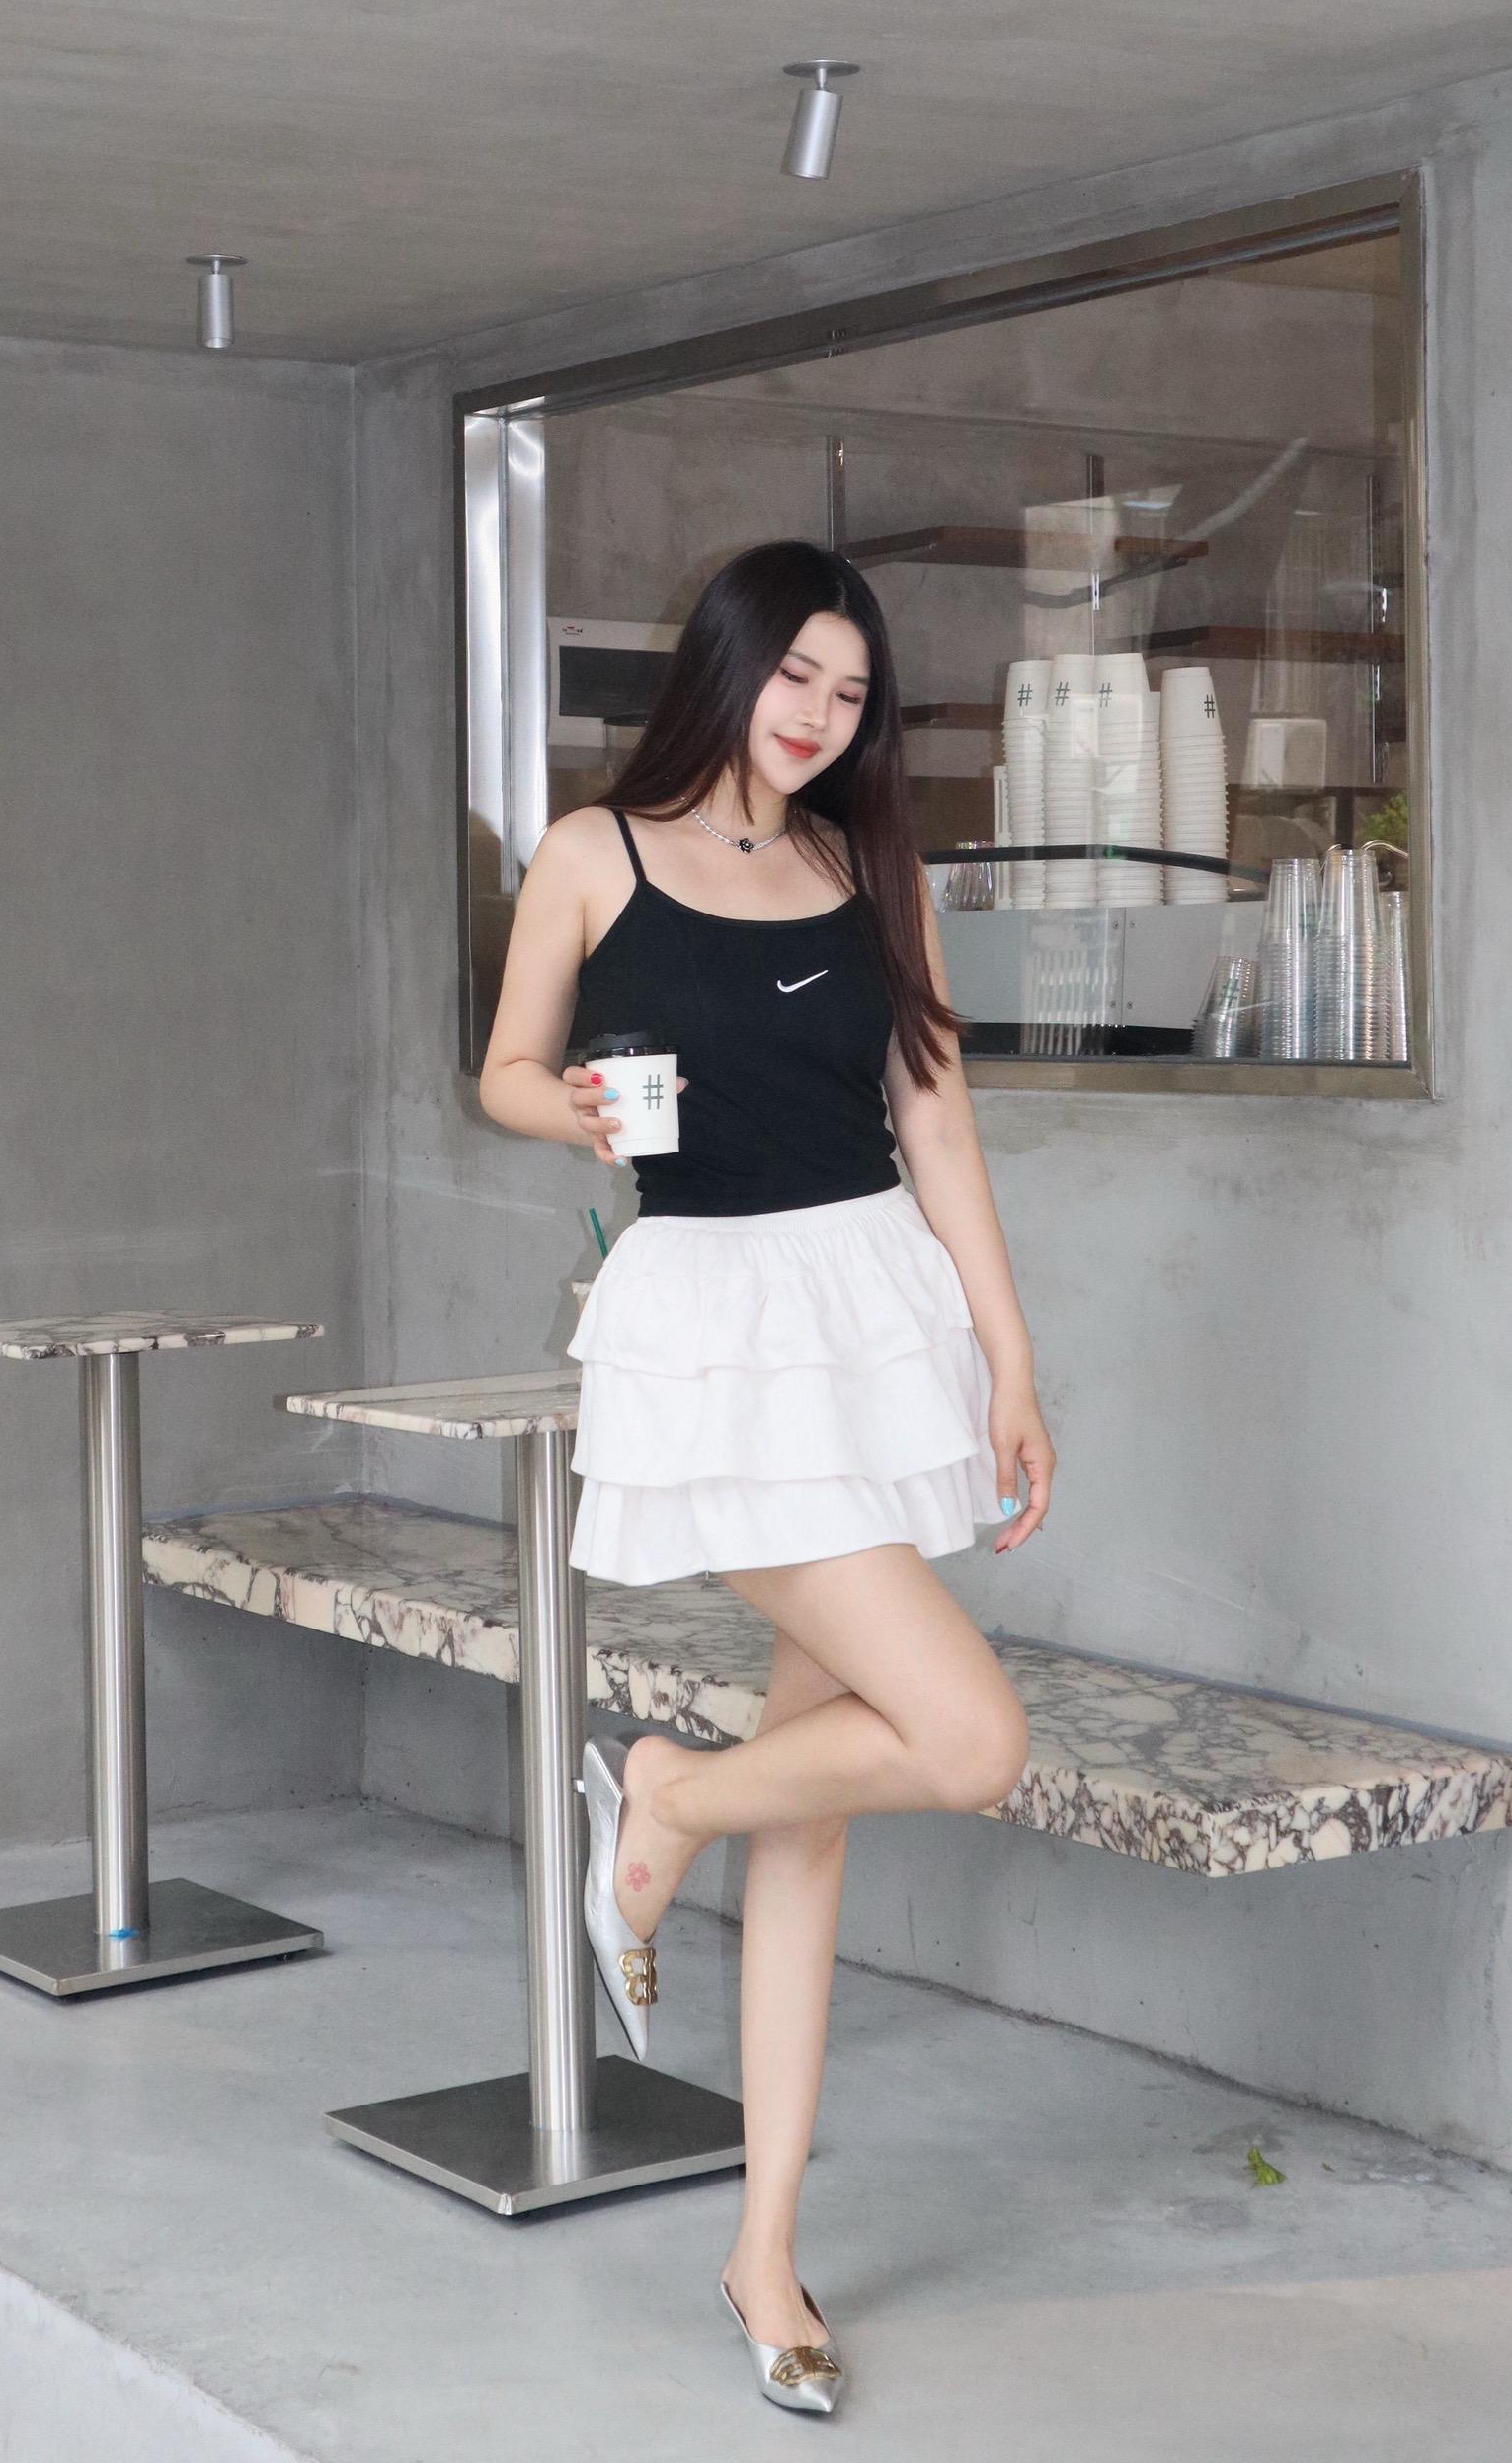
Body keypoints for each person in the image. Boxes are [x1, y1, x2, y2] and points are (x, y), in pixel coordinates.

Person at [478, 539, 1054, 2418]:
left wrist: (1009, 1355)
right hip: (719, 1334)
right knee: (968, 1738)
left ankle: (765, 2251)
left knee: (819, 1816)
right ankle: (666, 1800)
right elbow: (505, 1068)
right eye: (796, 674)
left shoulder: (871, 866)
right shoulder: (594, 853)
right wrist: (566, 1105)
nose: (820, 714)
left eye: (850, 691)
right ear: (728, 665)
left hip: (872, 1322)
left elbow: (936, 1115)